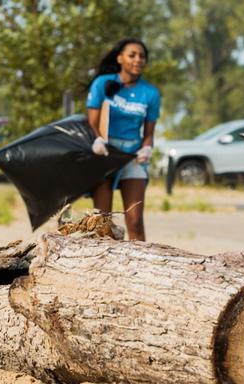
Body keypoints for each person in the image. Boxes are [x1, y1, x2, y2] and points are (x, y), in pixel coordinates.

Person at [86, 38, 161, 241]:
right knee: (102, 221)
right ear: (120, 58)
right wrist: (98, 141)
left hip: (132, 156)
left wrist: (146, 149)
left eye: (142, 56)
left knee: (135, 220)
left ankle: (141, 268)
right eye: (132, 55)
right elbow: (92, 122)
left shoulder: (151, 93)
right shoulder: (103, 83)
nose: (138, 59)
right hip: (106, 154)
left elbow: (148, 134)